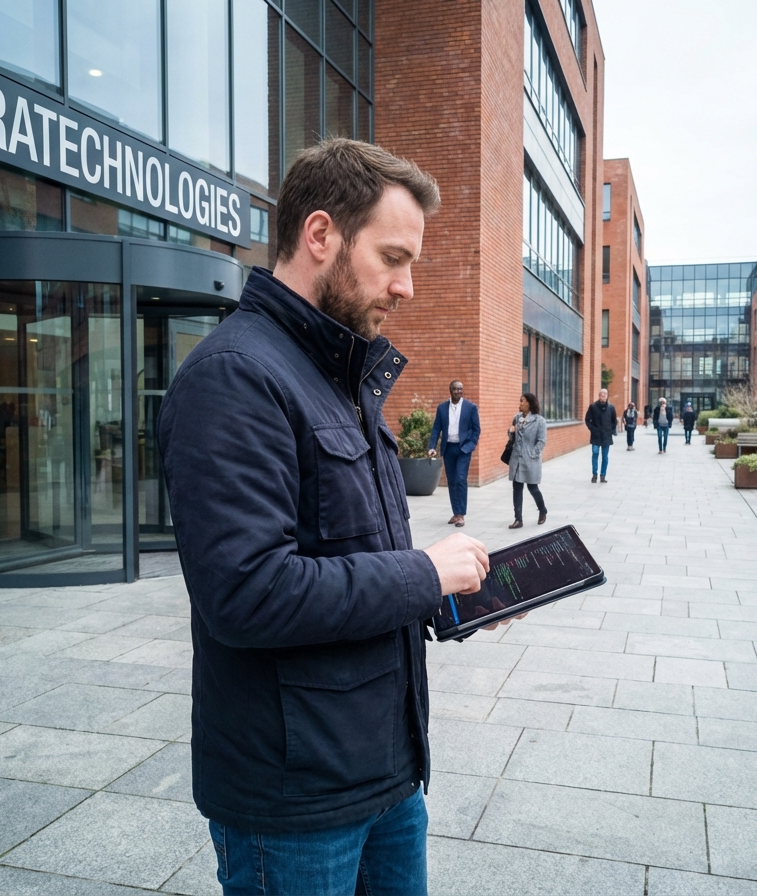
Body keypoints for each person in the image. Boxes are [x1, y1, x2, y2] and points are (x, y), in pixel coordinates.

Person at [157, 138, 491, 895]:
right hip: (296, 803)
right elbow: (248, 593)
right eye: (393, 258)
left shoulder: (338, 373)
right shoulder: (235, 378)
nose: (407, 287)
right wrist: (420, 573)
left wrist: (445, 594)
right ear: (319, 235)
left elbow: (348, 555)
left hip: (387, 774)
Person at [428, 380, 480, 526]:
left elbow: (476, 429)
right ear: (450, 390)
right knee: (451, 481)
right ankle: (456, 513)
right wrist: (432, 447)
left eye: (461, 389)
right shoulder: (442, 408)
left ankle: (461, 514)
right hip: (448, 448)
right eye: (456, 389)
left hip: (463, 449)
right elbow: (436, 429)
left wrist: (471, 445)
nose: (459, 391)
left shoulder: (470, 407)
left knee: (460, 478)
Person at [507, 392, 548, 528]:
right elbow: (512, 437)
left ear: (529, 403)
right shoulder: (516, 418)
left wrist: (533, 454)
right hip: (516, 459)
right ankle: (518, 519)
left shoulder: (539, 421)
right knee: (516, 488)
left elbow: (541, 441)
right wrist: (511, 431)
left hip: (531, 460)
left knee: (533, 488)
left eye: (522, 401)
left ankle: (542, 510)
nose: (519, 404)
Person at [584, 387, 617, 482]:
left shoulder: (611, 408)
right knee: (595, 453)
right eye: (601, 395)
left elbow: (614, 421)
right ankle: (594, 474)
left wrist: (611, 430)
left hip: (606, 435)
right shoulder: (593, 407)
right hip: (596, 435)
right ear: (599, 396)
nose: (603, 396)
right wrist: (593, 429)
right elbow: (587, 420)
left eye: (605, 394)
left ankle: (603, 475)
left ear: (607, 396)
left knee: (605, 456)